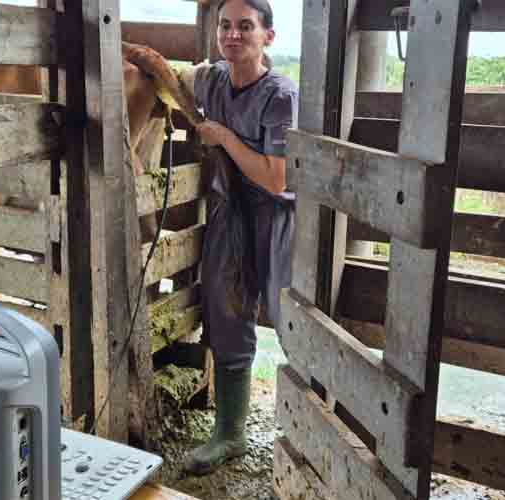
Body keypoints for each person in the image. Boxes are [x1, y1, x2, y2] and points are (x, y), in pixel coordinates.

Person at [179, 0, 298, 475]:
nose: (232, 35)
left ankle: (314, 431)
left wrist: (224, 137)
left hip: (275, 215)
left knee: (291, 317)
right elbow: (171, 77)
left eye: (245, 27)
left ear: (267, 36)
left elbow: (275, 178)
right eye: (225, 26)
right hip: (230, 212)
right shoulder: (211, 79)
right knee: (225, 312)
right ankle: (229, 434)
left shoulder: (280, 95)